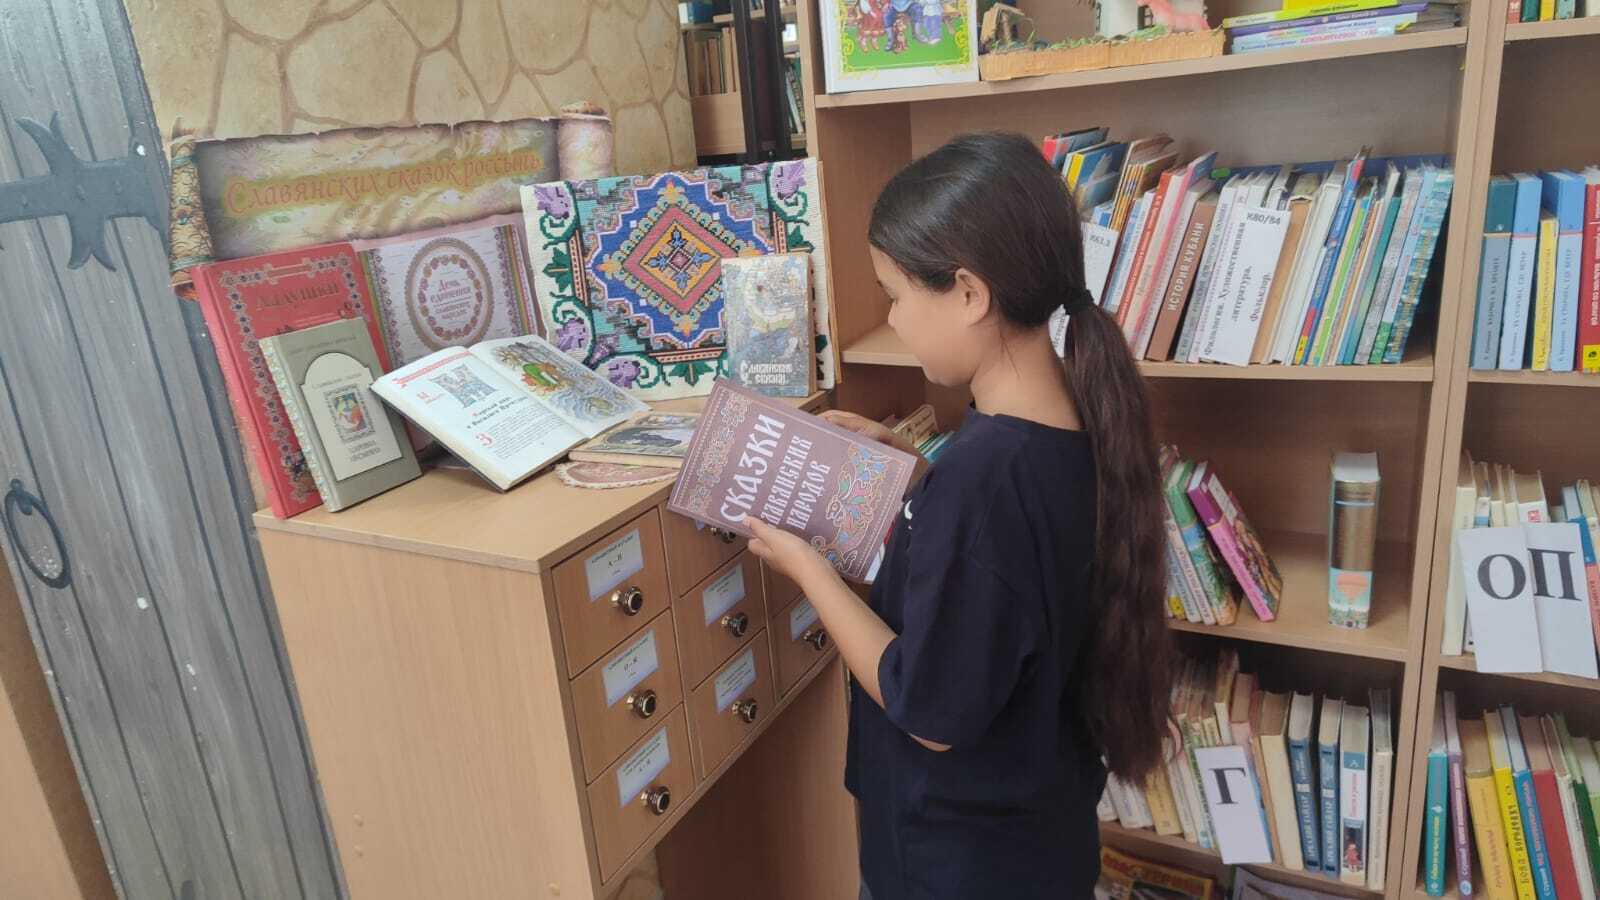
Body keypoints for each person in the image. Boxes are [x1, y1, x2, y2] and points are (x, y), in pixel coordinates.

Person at [746, 131, 1175, 900]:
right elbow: (1015, 562)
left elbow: (930, 712)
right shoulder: (1075, 415)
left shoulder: (981, 482)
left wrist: (809, 571)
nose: (894, 319)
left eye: (896, 294)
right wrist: (918, 471)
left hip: (957, 861)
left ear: (971, 294)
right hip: (1039, 837)